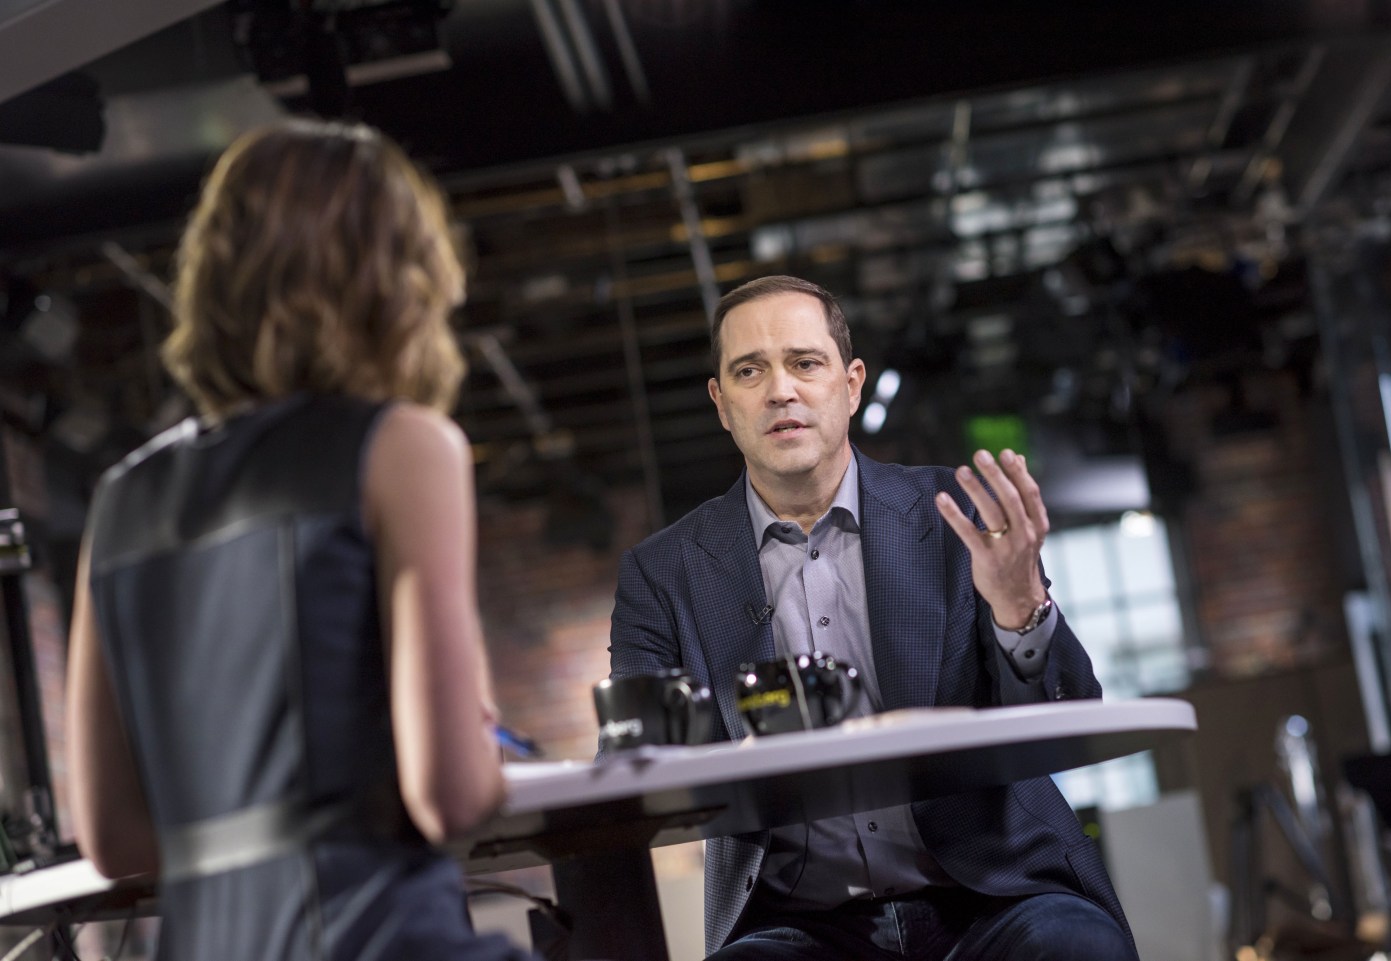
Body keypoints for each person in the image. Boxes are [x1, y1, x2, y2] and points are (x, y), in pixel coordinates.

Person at [64, 119, 532, 961]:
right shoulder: (404, 446)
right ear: (395, 278)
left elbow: (114, 840)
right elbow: (452, 797)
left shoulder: (119, 498)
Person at [607, 275, 1138, 960]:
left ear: (852, 385)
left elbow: (1069, 718)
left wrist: (1020, 609)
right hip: (801, 926)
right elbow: (633, 766)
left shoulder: (955, 514)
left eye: (805, 363)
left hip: (994, 895)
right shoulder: (662, 573)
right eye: (749, 371)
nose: (780, 390)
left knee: (1075, 948)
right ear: (721, 404)